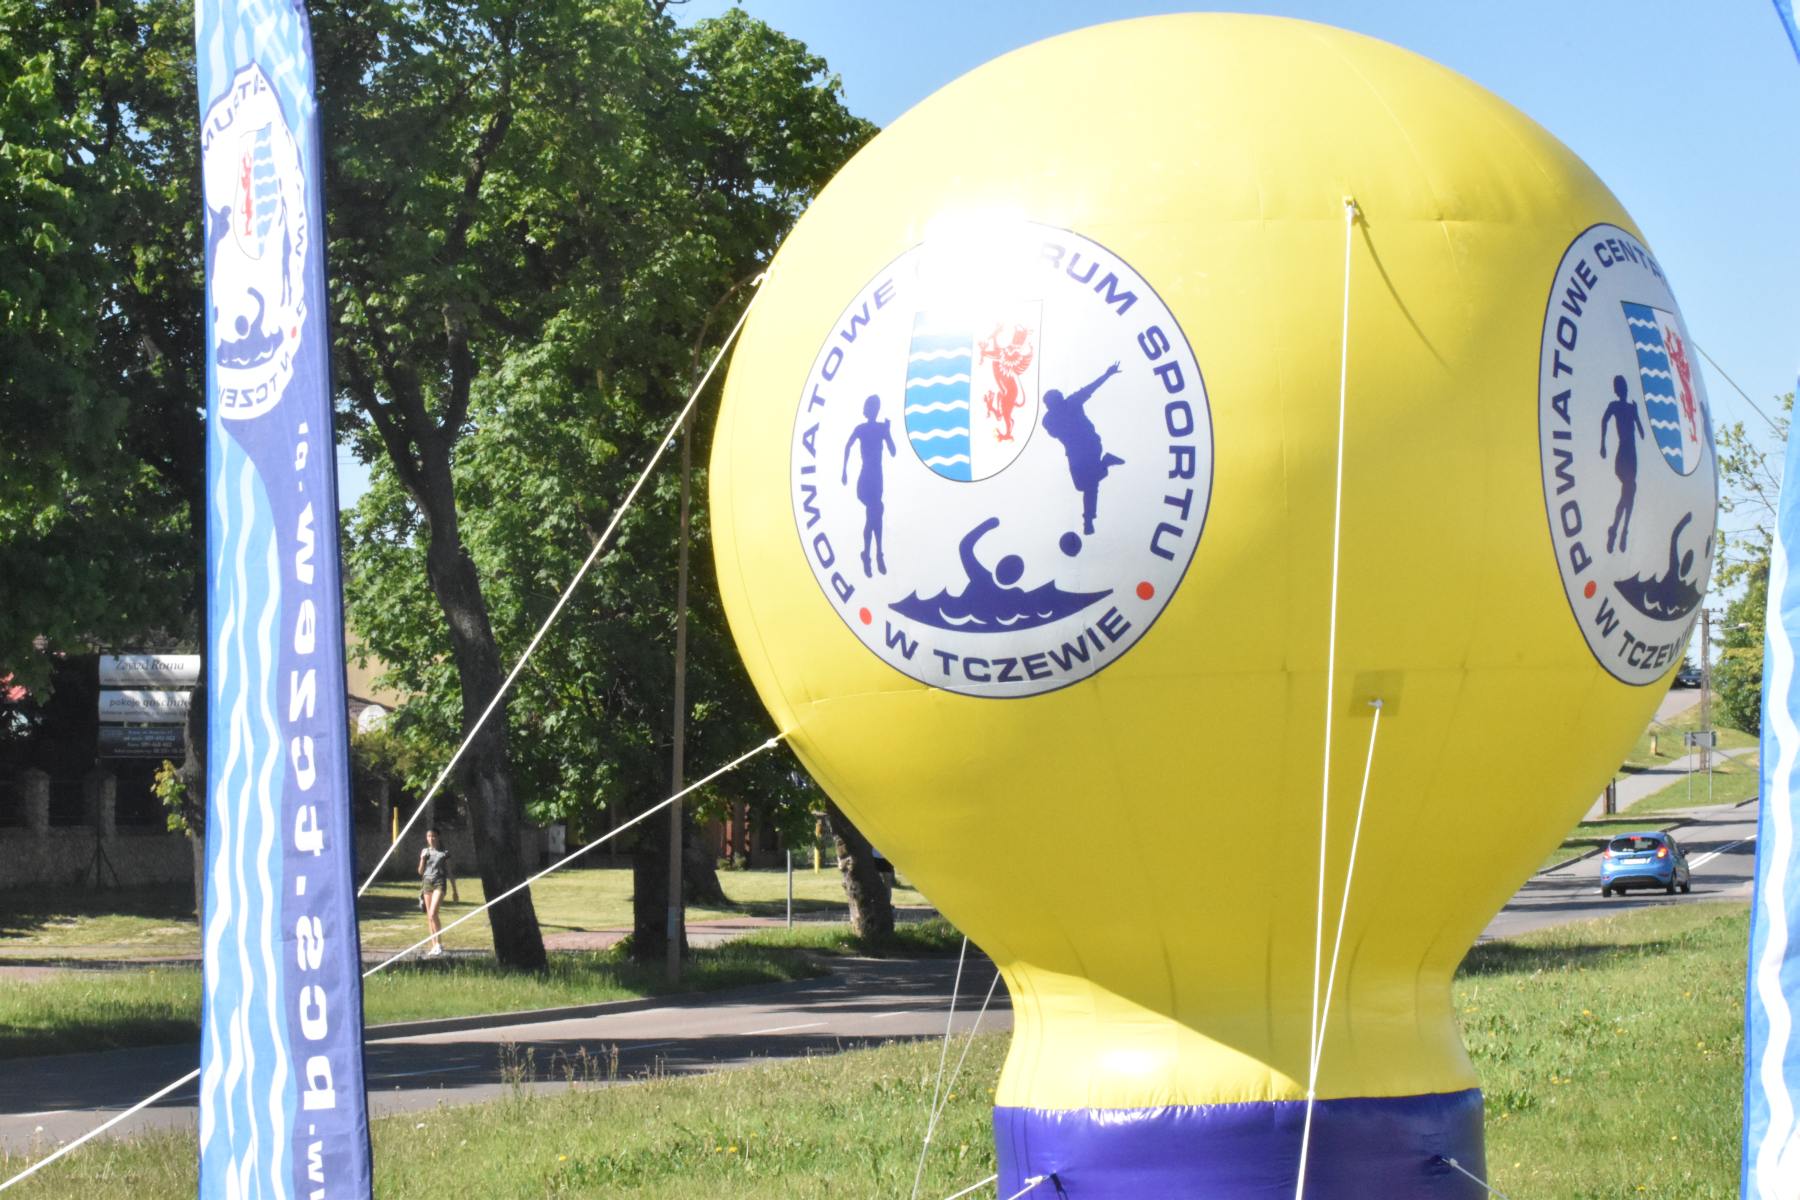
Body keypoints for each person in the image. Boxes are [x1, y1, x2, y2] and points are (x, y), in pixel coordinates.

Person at [841, 394, 897, 575]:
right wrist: (844, 471)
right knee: (876, 510)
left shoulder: (881, 428)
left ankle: (867, 554)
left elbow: (893, 451)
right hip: (866, 479)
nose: (874, 410)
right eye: (871, 407)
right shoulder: (861, 428)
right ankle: (878, 554)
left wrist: (888, 432)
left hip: (877, 478)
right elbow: (848, 446)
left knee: (874, 515)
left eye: (875, 407)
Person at [417, 828, 458, 957]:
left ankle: (439, 944)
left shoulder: (444, 853)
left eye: (433, 836)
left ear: (438, 837)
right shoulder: (425, 852)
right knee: (429, 916)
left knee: (433, 913)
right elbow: (420, 871)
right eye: (429, 836)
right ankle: (434, 945)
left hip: (439, 883)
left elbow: (450, 872)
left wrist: (455, 890)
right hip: (427, 883)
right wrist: (422, 859)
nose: (431, 838)